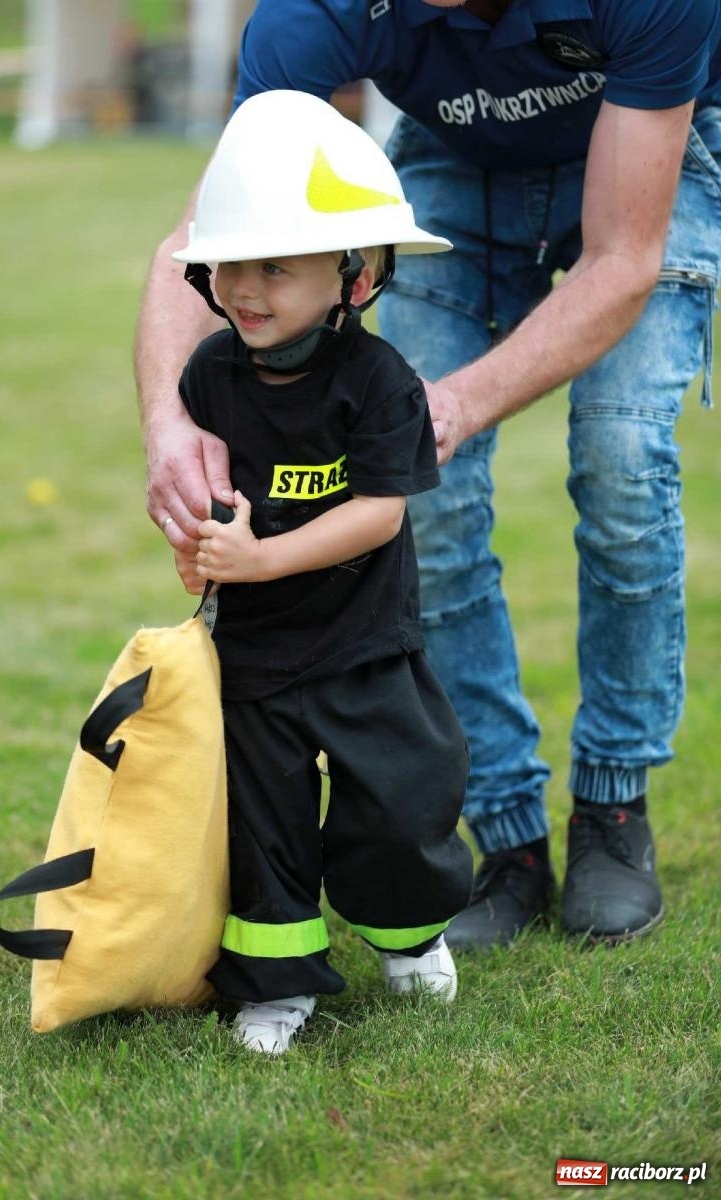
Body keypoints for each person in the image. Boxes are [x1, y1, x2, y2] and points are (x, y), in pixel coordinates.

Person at [135, 1, 721, 950]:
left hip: (654, 145)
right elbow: (204, 231)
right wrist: (168, 420)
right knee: (425, 500)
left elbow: (622, 261)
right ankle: (505, 833)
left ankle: (614, 807)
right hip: (452, 159)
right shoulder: (313, 12)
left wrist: (451, 407)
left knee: (622, 456)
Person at [169, 89, 473, 1055]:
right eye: (231, 263)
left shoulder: (380, 384)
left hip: (366, 643)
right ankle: (277, 983)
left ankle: (407, 933)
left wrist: (259, 559)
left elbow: (379, 515)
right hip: (257, 656)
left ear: (356, 277)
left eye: (276, 266)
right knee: (265, 824)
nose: (245, 287)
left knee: (402, 804)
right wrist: (199, 547)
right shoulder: (209, 374)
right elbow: (208, 491)